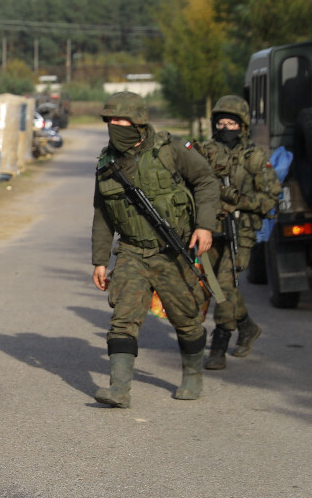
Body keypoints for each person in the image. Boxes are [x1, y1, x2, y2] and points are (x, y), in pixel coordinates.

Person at [91, 92, 219, 407]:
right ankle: (119, 389)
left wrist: (204, 225)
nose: (115, 126)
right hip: (132, 252)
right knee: (123, 319)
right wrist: (99, 261)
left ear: (138, 121)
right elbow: (102, 214)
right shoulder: (107, 162)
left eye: (121, 120)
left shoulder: (171, 151)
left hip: (173, 250)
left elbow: (206, 181)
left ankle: (192, 376)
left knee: (186, 317)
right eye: (111, 120)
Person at [194, 96, 282, 370]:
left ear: (242, 126)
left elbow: (270, 200)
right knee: (215, 286)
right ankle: (247, 327)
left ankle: (219, 345)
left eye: (231, 123)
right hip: (209, 229)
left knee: (225, 285)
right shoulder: (205, 151)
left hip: (240, 231)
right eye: (221, 122)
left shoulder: (255, 157)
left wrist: (238, 200)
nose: (226, 127)